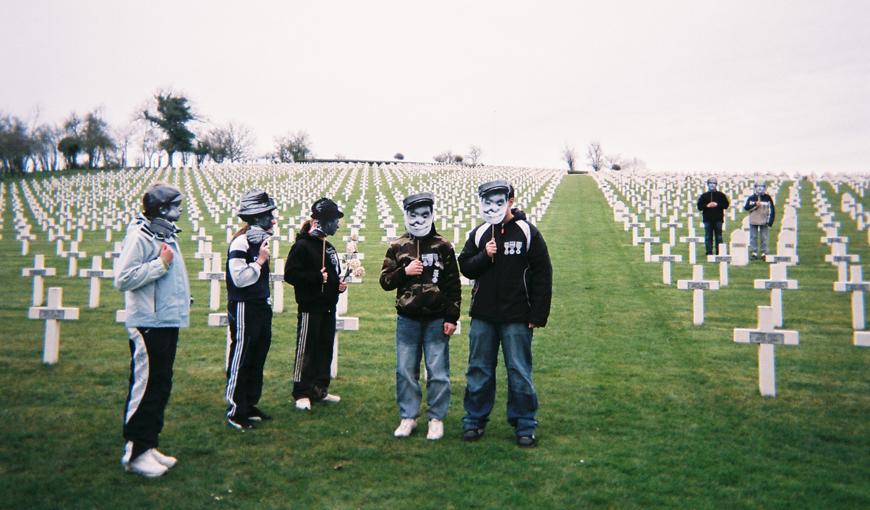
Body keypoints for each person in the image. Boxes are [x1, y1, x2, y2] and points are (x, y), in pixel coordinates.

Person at [458, 180, 552, 448]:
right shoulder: (479, 234)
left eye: (499, 201)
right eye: (487, 201)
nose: (493, 206)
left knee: (519, 371)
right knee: (479, 370)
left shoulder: (526, 232)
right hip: (483, 316)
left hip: (517, 316)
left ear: (511, 200)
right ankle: (474, 420)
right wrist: (484, 256)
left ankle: (524, 424)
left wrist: (538, 314)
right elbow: (465, 267)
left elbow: (543, 275)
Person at [115, 182, 190, 478]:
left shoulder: (166, 233)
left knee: (160, 385)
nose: (180, 209)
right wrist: (160, 264)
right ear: (161, 208)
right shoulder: (141, 236)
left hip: (166, 320)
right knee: (146, 387)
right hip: (148, 323)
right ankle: (135, 453)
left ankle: (149, 445)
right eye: (176, 204)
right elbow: (123, 278)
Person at [379, 192, 461, 440]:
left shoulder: (444, 246)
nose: (418, 220)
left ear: (432, 215)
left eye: (424, 215)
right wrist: (405, 271)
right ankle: (408, 417)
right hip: (408, 319)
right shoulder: (397, 246)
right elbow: (385, 281)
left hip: (437, 319)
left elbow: (453, 285)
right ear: (406, 216)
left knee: (437, 371)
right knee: (405, 369)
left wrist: (452, 317)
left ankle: (436, 418)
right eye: (413, 215)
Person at [284, 197, 347, 411]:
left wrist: (337, 285)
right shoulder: (302, 246)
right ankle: (301, 391)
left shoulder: (328, 247)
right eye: (335, 220)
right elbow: (290, 274)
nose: (338, 224)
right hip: (311, 307)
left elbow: (332, 274)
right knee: (307, 350)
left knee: (324, 349)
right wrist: (316, 278)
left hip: (328, 307)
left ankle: (320, 389)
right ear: (324, 221)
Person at [224, 189, 277, 430]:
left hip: (260, 305)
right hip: (244, 306)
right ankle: (236, 409)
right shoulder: (241, 242)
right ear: (256, 217)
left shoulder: (259, 241)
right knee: (243, 354)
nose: (273, 219)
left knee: (258, 354)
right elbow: (239, 279)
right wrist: (260, 262)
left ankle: (250, 403)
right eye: (269, 214)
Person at [697, 177, 730, 255]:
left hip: (718, 219)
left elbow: (726, 205)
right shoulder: (704, 196)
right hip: (707, 219)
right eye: (710, 184)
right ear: (708, 185)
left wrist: (717, 204)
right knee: (708, 236)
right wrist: (707, 205)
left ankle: (719, 252)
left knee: (719, 236)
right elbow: (699, 207)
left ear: (716, 185)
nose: (712, 185)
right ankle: (709, 252)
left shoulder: (721, 195)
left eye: (714, 184)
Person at [744, 181, 776, 260]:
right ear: (755, 188)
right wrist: (755, 205)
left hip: (764, 221)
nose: (760, 188)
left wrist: (770, 221)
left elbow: (772, 209)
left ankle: (764, 253)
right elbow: (746, 207)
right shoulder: (751, 198)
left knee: (764, 237)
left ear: (764, 188)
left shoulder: (767, 198)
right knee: (753, 237)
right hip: (753, 220)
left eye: (762, 187)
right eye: (758, 186)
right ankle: (754, 252)